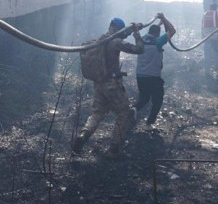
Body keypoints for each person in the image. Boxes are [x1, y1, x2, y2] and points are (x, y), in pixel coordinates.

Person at [73, 17, 144, 155]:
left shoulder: (100, 40)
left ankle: (83, 136)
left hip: (99, 84)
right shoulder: (115, 42)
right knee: (123, 112)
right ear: (117, 29)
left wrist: (130, 30)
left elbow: (122, 35)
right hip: (113, 85)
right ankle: (114, 147)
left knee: (97, 113)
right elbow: (139, 49)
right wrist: (136, 33)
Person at [135, 12, 176, 125]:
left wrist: (159, 24)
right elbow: (172, 31)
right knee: (157, 101)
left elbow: (154, 32)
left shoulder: (141, 40)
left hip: (140, 76)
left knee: (144, 99)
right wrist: (164, 18)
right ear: (157, 34)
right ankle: (149, 124)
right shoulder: (158, 42)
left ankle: (133, 110)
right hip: (153, 77)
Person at [201, 3, 218, 70]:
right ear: (216, 8)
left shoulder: (205, 14)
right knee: (217, 53)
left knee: (207, 54)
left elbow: (202, 26)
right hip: (215, 38)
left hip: (206, 38)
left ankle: (207, 70)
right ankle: (217, 67)